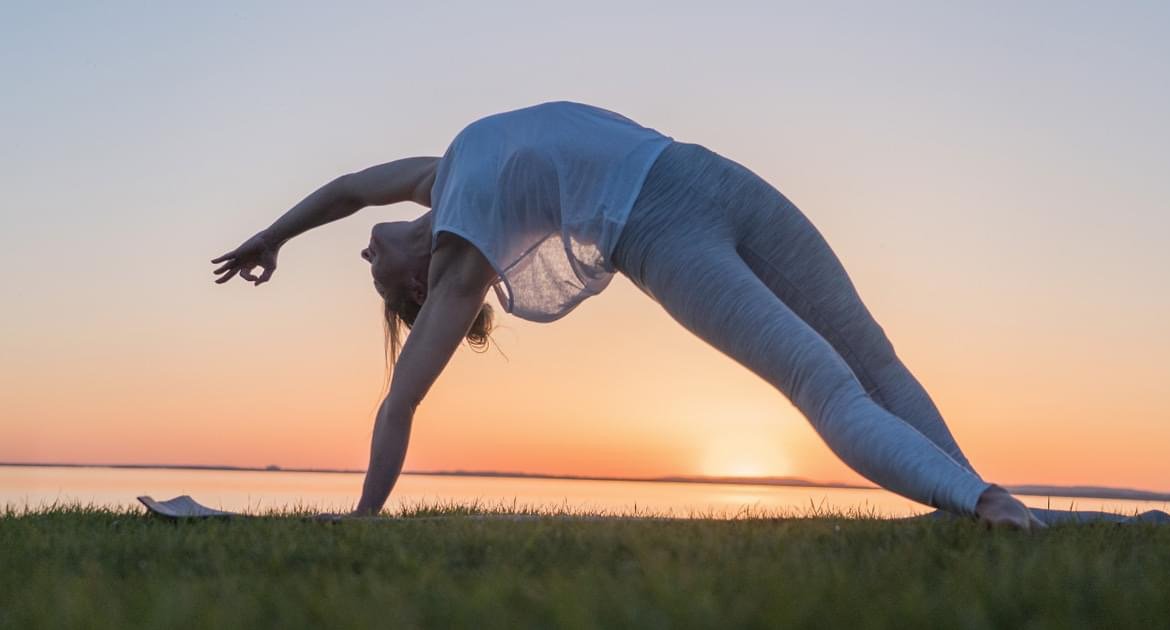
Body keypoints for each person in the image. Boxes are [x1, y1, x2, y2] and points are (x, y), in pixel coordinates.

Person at [211, 101, 1043, 530]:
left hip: (704, 171)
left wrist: (273, 234)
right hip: (660, 231)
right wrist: (364, 516)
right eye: (376, 277)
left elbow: (351, 188)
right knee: (821, 380)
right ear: (420, 288)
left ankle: (977, 496)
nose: (364, 256)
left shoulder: (442, 177)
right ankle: (981, 504)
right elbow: (400, 406)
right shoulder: (465, 258)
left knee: (876, 358)